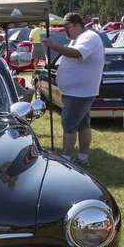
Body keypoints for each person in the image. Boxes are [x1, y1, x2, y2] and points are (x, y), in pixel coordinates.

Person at [41, 12, 104, 167]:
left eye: (67, 27)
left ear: (76, 24)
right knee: (83, 125)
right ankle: (82, 158)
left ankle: (66, 160)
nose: (65, 31)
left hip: (79, 93)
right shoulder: (78, 39)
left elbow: (77, 54)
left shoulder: (89, 37)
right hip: (77, 92)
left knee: (69, 125)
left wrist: (54, 46)